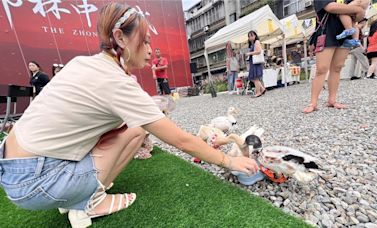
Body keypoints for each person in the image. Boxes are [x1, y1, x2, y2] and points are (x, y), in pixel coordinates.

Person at [0, 3, 258, 228]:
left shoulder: (84, 63)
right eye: (144, 41)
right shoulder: (116, 81)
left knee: (131, 127)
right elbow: (180, 140)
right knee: (137, 129)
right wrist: (229, 161)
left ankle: (76, 192)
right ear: (120, 38)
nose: (148, 50)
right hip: (36, 181)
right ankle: (91, 200)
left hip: (15, 170)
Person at [303, 0, 365, 113]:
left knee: (337, 67)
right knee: (321, 69)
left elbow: (360, 16)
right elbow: (330, 7)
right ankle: (313, 102)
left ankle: (332, 100)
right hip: (326, 33)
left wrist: (358, 10)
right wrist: (357, 9)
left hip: (345, 33)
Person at [245, 30, 266, 98]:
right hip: (253, 62)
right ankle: (262, 89)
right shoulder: (253, 44)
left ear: (255, 35)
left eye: (252, 35)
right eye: (249, 36)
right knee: (252, 77)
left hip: (255, 63)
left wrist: (249, 53)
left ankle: (258, 92)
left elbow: (259, 51)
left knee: (255, 78)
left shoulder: (257, 42)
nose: (250, 37)